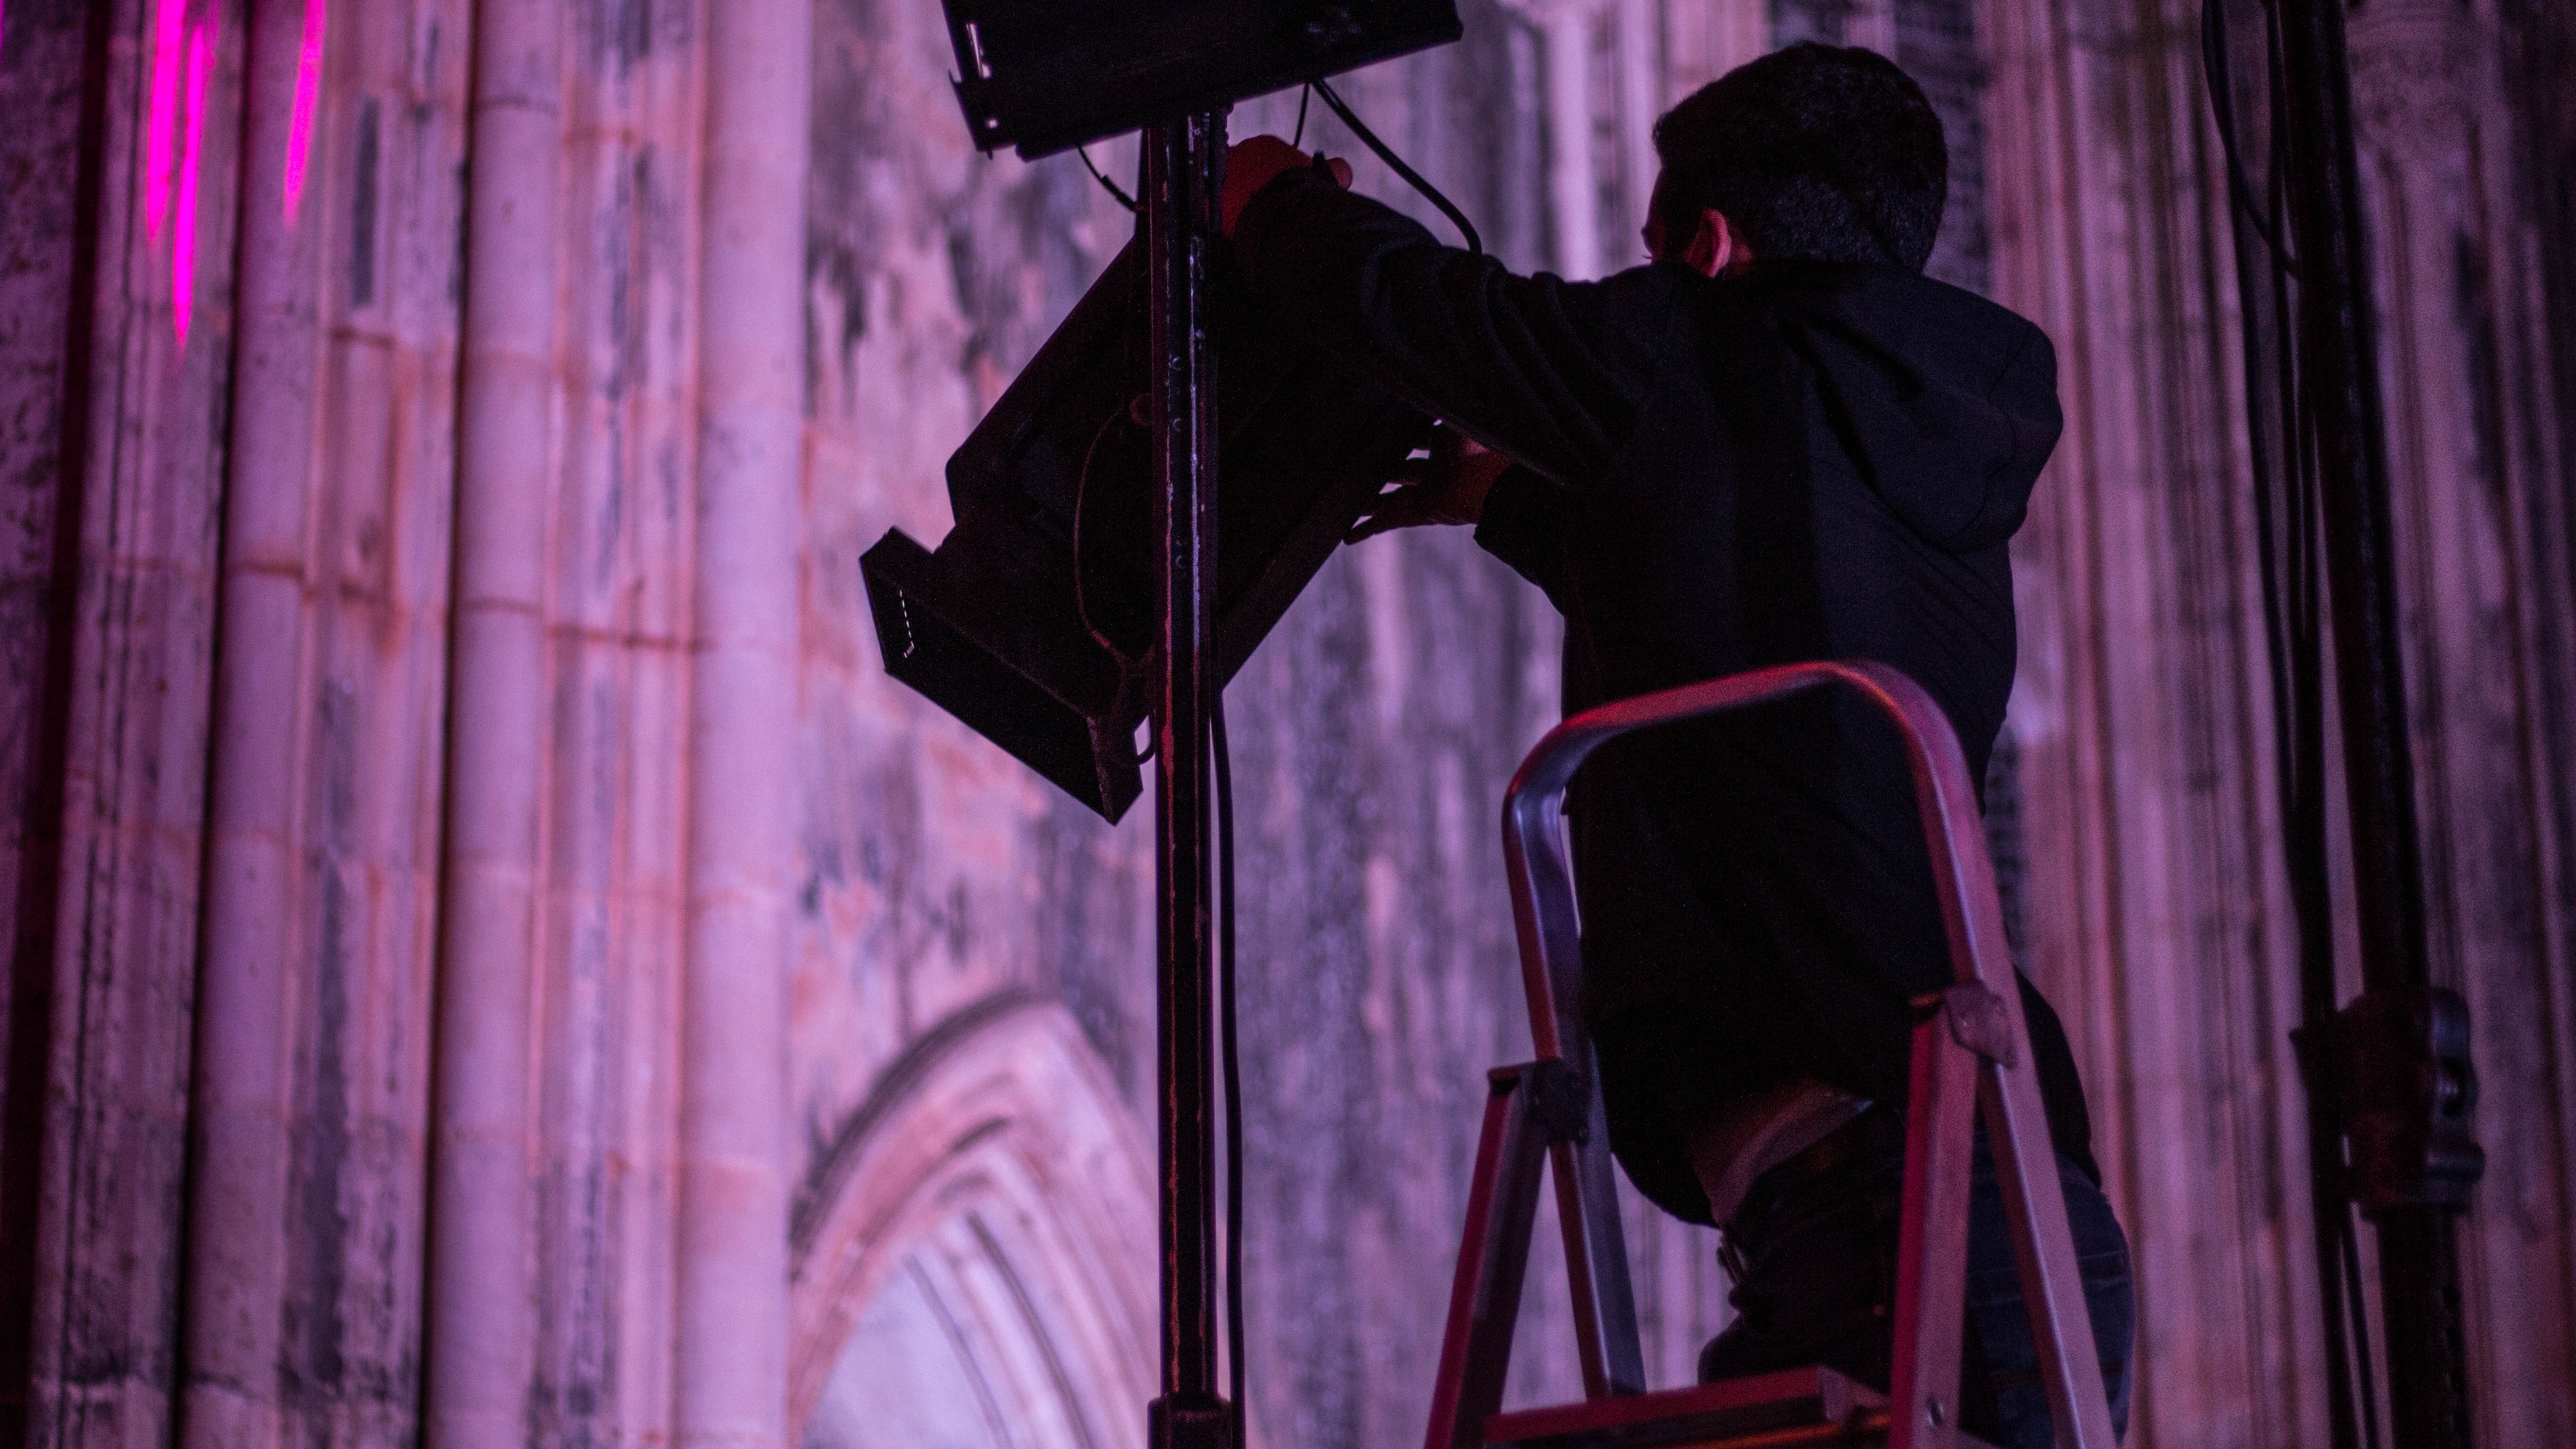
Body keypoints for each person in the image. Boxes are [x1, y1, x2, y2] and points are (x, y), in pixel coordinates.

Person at [1221, 42, 2135, 1448]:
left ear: (1708, 249)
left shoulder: (1706, 341)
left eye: (1650, 263)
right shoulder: (1923, 434)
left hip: (1896, 1220)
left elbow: (1432, 312)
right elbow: (1740, 591)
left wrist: (1263, 197)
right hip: (2016, 1221)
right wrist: (1508, 504)